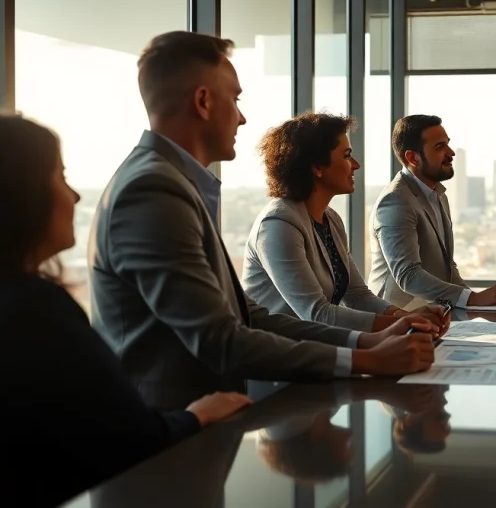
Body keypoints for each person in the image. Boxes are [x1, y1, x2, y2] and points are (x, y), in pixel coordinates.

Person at [88, 31, 435, 412]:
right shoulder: (153, 190)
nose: (242, 116)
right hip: (168, 430)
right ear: (203, 102)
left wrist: (368, 341)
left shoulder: (172, 183)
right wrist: (368, 359)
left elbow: (246, 316)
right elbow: (220, 338)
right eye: (235, 99)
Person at [0, 114, 252, 508]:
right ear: (22, 196)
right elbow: (128, 438)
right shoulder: (36, 311)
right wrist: (197, 415)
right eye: (61, 176)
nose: (76, 196)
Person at [242, 112, 449, 333]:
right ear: (316, 167)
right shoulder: (278, 224)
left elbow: (357, 295)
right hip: (276, 357)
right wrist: (404, 324)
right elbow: (316, 313)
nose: (356, 165)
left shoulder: (330, 219)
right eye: (347, 155)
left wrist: (407, 316)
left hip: (315, 349)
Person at [368, 114, 496, 309]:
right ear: (412, 157)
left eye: (447, 144)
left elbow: (447, 267)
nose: (451, 153)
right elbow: (408, 275)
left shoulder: (438, 195)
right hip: (395, 319)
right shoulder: (395, 200)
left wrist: (477, 302)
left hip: (433, 316)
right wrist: (473, 299)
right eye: (439, 147)